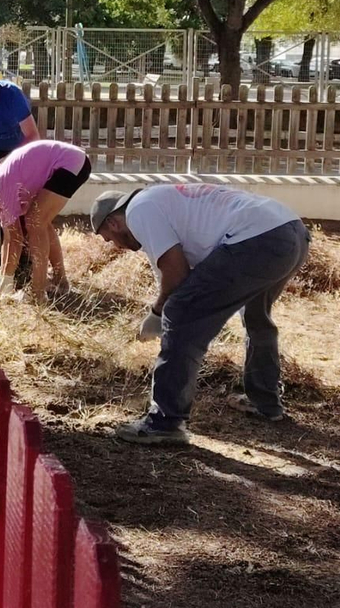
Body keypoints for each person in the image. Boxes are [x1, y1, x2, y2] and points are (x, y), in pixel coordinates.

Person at [90, 184, 310, 445]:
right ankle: (265, 401)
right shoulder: (163, 200)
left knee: (180, 314)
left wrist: (159, 312)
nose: (115, 246)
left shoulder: (139, 211)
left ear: (114, 223)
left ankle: (165, 421)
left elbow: (176, 274)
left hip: (255, 241)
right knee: (255, 315)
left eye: (108, 238)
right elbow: (185, 272)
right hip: (291, 232)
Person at [0, 139, 92, 301]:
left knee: (35, 222)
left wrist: (7, 279)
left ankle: (38, 292)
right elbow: (7, 240)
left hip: (71, 163)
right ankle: (60, 281)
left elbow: (15, 239)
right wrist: (2, 277)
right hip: (71, 161)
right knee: (40, 222)